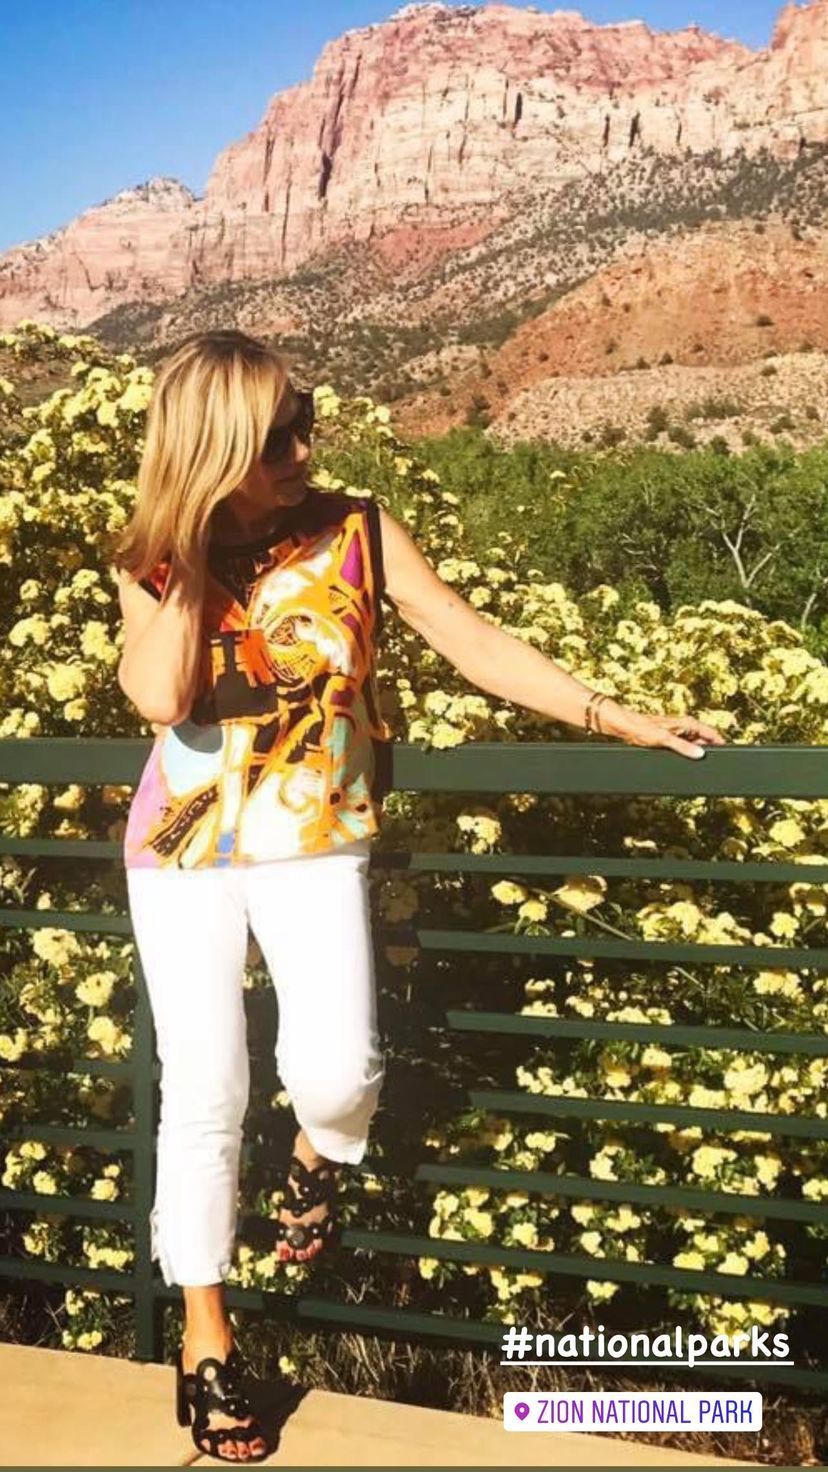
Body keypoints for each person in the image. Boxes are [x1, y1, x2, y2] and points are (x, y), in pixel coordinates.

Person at [112, 328, 724, 1462]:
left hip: (316, 839)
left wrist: (614, 713)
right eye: (276, 435)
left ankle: (317, 1159)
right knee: (204, 1091)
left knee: (339, 1072)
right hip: (180, 851)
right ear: (214, 446)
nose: (305, 447)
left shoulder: (357, 529)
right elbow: (158, 696)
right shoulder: (151, 552)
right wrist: (188, 543)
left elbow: (472, 641)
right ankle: (207, 1338)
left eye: (304, 420)